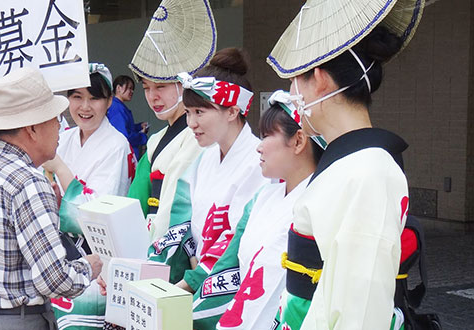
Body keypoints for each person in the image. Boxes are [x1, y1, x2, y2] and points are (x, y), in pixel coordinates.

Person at [266, 0, 424, 328]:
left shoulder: (368, 172)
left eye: (296, 79)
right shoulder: (351, 162)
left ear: (320, 80)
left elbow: (359, 312)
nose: (292, 92)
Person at [0, 67, 102, 330]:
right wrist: (89, 267)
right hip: (13, 321)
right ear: (33, 129)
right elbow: (55, 279)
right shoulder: (28, 182)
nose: (61, 126)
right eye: (54, 118)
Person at [167, 48, 268, 329]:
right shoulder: (204, 159)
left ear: (233, 111)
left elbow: (237, 237)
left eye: (199, 112)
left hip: (229, 286)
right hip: (196, 273)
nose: (191, 123)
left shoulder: (257, 162)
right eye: (188, 112)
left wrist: (193, 280)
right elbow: (182, 217)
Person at [207, 92, 321, 330]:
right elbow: (229, 263)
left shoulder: (319, 205)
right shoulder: (263, 197)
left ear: (299, 141)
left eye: (267, 135)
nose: (258, 147)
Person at [125, 0, 216, 285]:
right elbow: (135, 203)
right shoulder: (154, 141)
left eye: (161, 87)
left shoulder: (199, 138)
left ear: (182, 84)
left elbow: (174, 212)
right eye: (147, 87)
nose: (152, 97)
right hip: (150, 248)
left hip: (176, 256)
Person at [41, 63, 134, 330]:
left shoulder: (117, 145)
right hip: (61, 260)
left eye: (94, 98)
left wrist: (59, 167)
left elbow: (95, 216)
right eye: (77, 96)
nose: (85, 106)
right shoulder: (65, 137)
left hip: (96, 263)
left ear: (109, 102)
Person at [106, 75, 147, 157]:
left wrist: (139, 127)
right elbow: (124, 136)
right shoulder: (116, 108)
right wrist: (142, 136)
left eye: (132, 89)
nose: (132, 92)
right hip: (124, 155)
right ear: (118, 88)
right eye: (129, 88)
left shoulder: (118, 106)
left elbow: (126, 127)